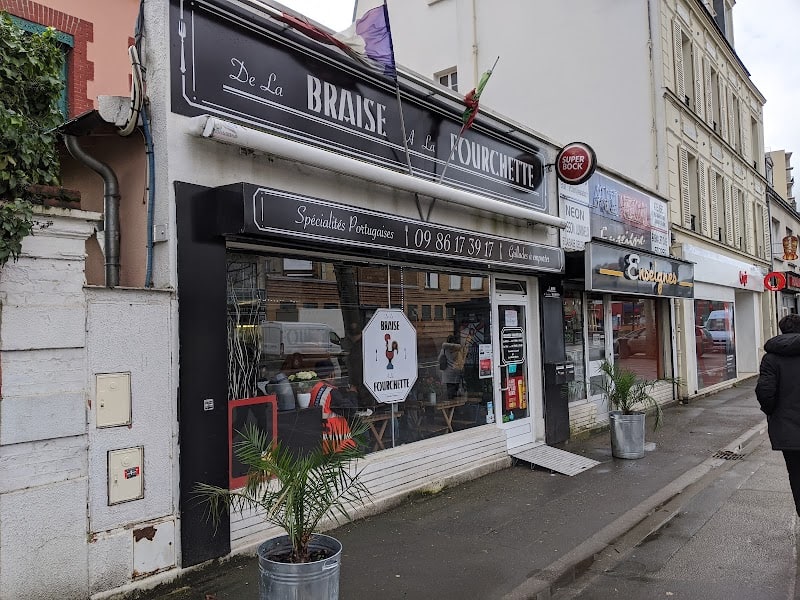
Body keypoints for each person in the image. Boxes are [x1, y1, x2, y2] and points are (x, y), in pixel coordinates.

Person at [755, 313, 800, 516]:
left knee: (796, 474)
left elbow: (765, 392)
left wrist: (774, 413)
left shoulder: (771, 358)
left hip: (788, 430)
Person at [309, 361, 359, 453]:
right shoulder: (331, 392)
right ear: (332, 374)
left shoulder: (313, 388)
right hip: (336, 443)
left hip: (320, 441)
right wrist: (352, 393)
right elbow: (351, 410)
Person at [438, 335, 463, 400]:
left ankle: (451, 406)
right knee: (456, 390)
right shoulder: (458, 349)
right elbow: (461, 359)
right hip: (456, 371)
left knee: (449, 391)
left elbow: (439, 358)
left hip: (447, 373)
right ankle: (456, 406)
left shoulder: (444, 349)